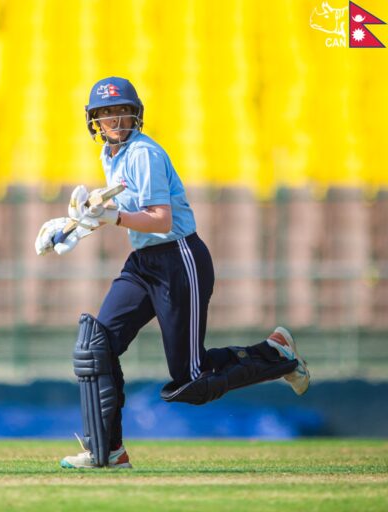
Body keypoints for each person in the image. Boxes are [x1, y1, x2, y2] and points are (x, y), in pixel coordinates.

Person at [35, 77, 310, 470]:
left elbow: (160, 220)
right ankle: (107, 451)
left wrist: (111, 217)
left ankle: (276, 355)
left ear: (136, 115)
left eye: (122, 111)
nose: (115, 119)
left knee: (191, 381)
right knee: (97, 346)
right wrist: (74, 226)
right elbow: (124, 210)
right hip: (144, 262)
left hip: (179, 259)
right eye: (106, 113)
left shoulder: (144, 153)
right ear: (94, 120)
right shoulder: (111, 155)